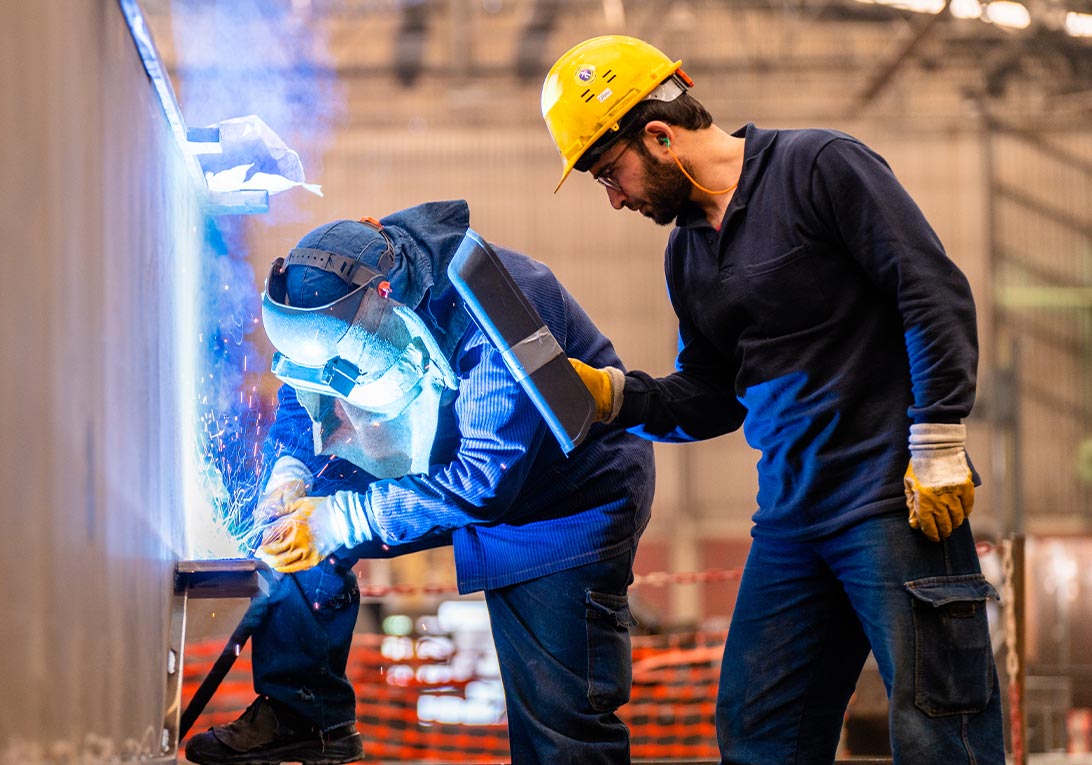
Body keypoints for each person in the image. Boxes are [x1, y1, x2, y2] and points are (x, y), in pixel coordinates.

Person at [540, 35, 1004, 765]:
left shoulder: (819, 167)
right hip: (791, 521)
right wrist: (614, 396)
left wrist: (939, 440)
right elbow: (712, 395)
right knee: (759, 732)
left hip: (894, 502)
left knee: (940, 727)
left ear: (659, 136)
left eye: (610, 173)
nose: (616, 197)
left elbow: (929, 291)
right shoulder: (688, 253)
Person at [183, 200, 656, 765]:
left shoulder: (495, 307)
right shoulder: (343, 297)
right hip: (444, 456)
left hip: (562, 508)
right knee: (298, 519)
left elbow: (484, 481)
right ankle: (302, 713)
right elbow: (304, 391)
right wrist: (290, 472)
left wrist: (340, 519)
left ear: (384, 299)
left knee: (558, 728)